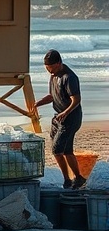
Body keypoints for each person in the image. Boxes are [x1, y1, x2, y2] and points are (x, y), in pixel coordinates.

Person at [32, 49, 85, 189]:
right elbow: (52, 96)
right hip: (59, 117)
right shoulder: (53, 75)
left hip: (71, 117)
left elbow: (76, 100)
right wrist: (38, 103)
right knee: (66, 150)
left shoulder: (69, 77)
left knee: (57, 150)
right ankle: (75, 178)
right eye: (47, 69)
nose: (50, 71)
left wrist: (66, 113)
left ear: (59, 63)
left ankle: (71, 178)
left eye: (52, 68)